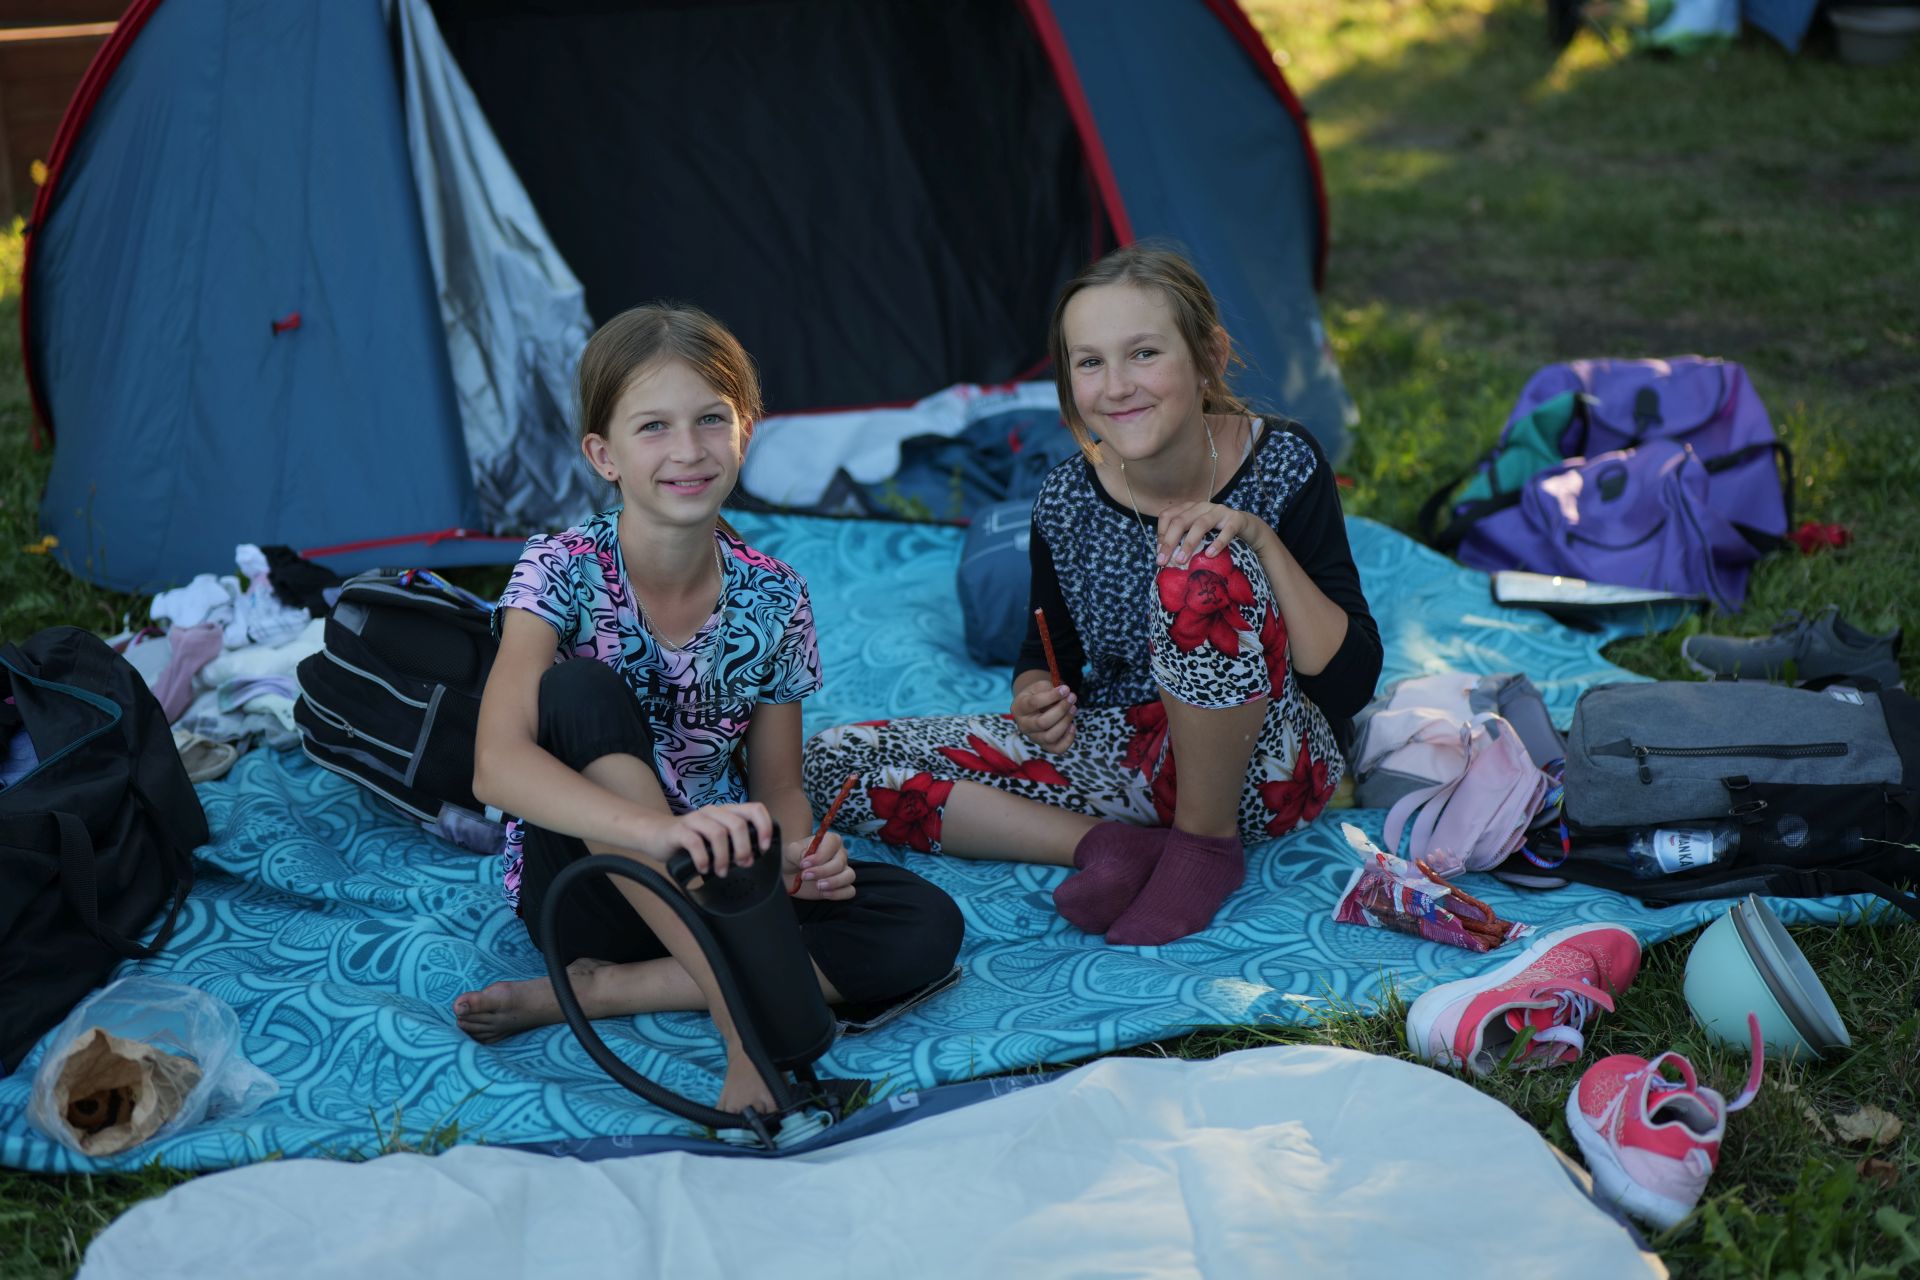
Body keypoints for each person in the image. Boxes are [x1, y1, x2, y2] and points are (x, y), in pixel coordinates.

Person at [451, 304, 964, 1113]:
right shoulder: (556, 569)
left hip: (720, 873)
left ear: (745, 433)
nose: (687, 450)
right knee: (577, 690)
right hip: (588, 878)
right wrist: (658, 833)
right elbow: (496, 766)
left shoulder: (775, 596)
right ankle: (741, 1030)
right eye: (653, 426)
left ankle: (598, 992)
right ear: (604, 455)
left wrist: (797, 855)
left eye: (710, 420)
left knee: (922, 925)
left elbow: (779, 787)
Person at [803, 244, 1382, 946]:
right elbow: (1047, 653)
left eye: (1144, 353)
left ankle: (1204, 847)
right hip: (1129, 763)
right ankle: (1109, 846)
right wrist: (1035, 696)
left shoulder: (1282, 463)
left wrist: (1261, 543)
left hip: (1273, 769)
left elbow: (1350, 684)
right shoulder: (1065, 500)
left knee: (1201, 572)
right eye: (1089, 362)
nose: (1116, 386)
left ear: (1209, 356)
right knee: (829, 765)